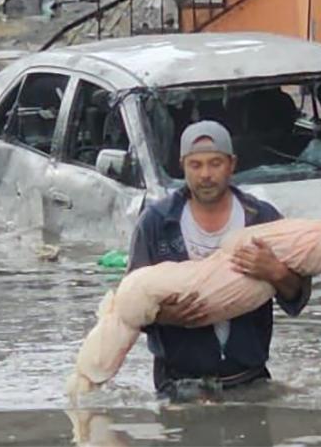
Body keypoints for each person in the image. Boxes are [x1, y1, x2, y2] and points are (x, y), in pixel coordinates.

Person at [127, 120, 311, 397]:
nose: (205, 175)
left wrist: (277, 273)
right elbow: (129, 305)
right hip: (177, 386)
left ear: (232, 164)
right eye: (196, 165)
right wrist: (165, 316)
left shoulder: (261, 219)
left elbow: (297, 298)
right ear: (182, 166)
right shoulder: (156, 223)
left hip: (250, 381)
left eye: (215, 163)